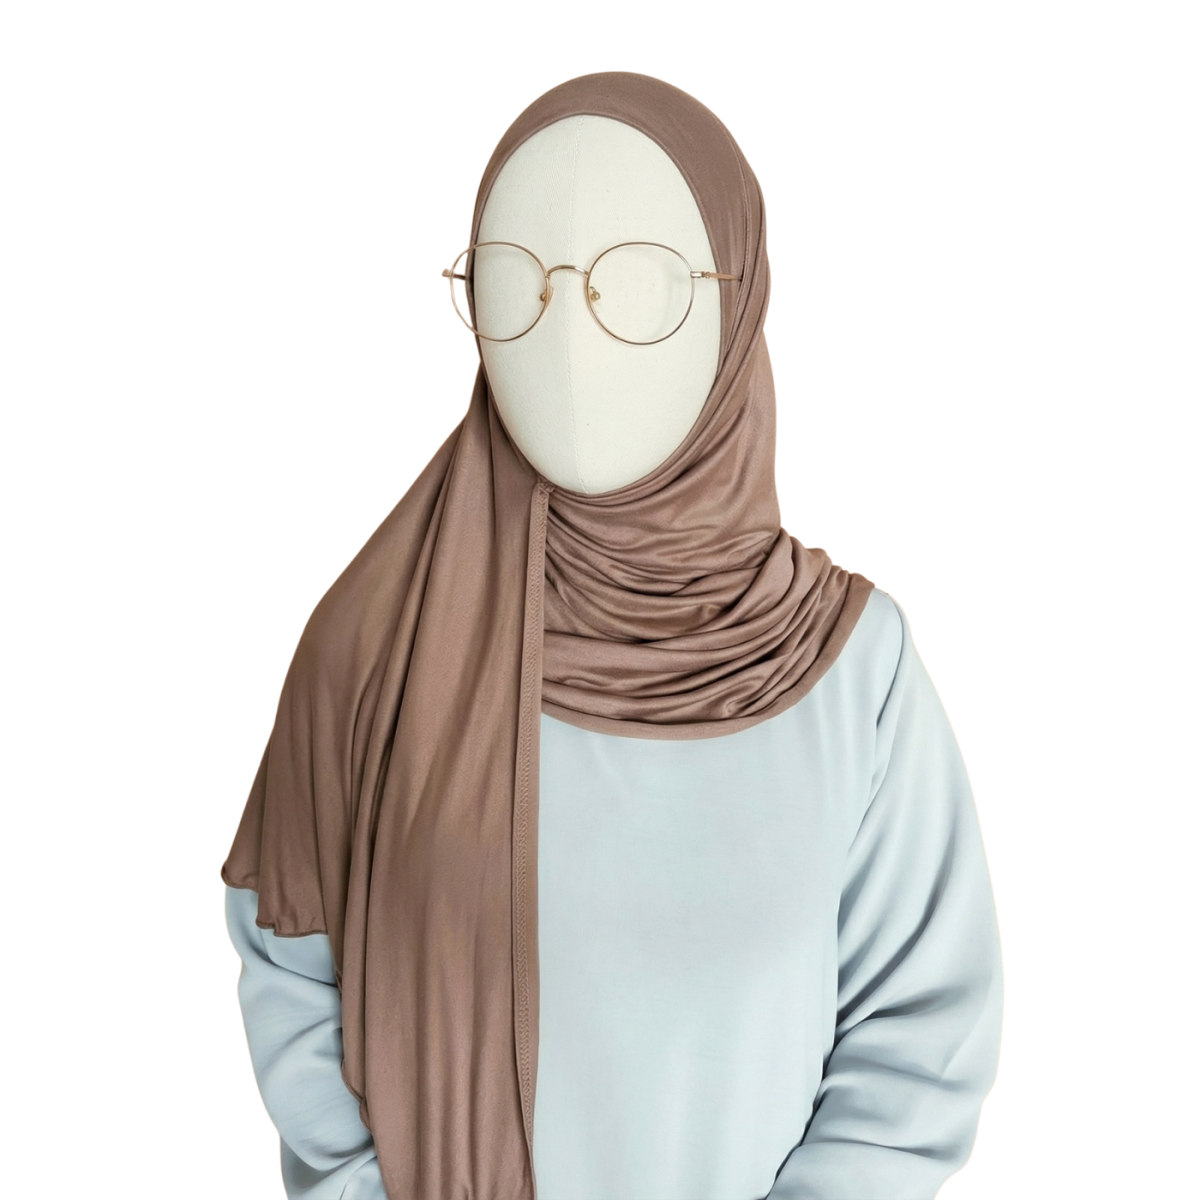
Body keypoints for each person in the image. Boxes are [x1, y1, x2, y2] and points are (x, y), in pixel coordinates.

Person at [223, 71, 1003, 1200]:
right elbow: (292, 965)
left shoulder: (851, 669)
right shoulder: (376, 648)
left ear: (737, 301)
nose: (571, 344)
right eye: (516, 280)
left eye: (638, 284)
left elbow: (919, 1037)